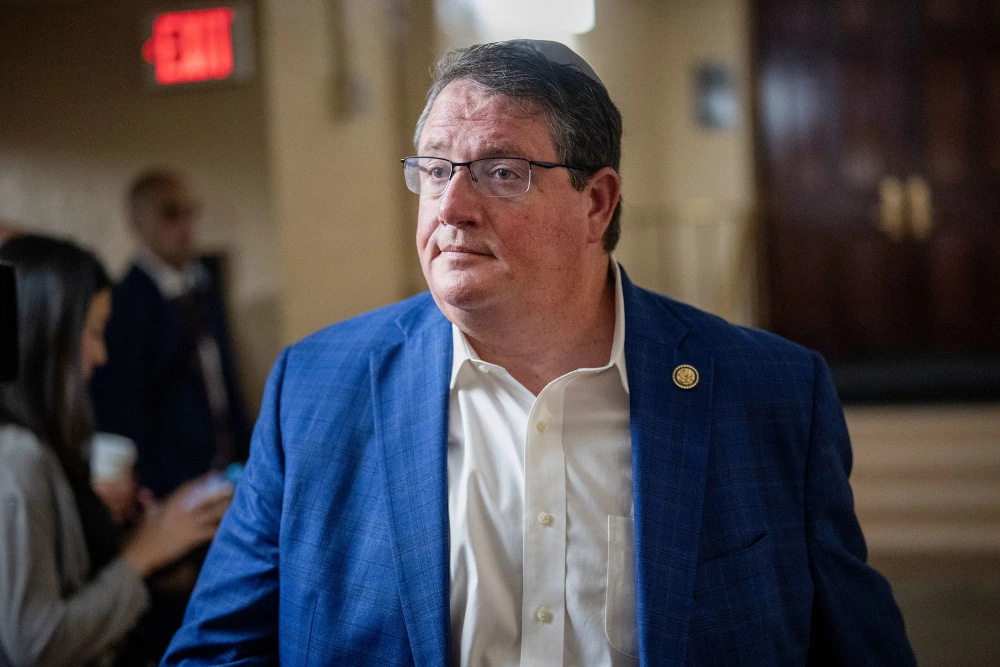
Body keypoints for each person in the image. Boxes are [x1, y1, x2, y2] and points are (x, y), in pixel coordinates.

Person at [164, 41, 915, 665]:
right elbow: (214, 652)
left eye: (501, 172)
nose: (452, 207)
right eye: (435, 169)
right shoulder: (315, 389)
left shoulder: (771, 396)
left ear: (597, 203)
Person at [0, 234, 231, 667]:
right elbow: (37, 645)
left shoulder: (39, 445)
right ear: (45, 334)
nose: (101, 355)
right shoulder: (17, 457)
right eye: (92, 333)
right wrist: (146, 551)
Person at [91, 169, 250, 499]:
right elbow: (125, 407)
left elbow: (223, 375)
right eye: (170, 213)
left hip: (226, 465)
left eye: (191, 212)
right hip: (170, 483)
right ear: (137, 222)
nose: (185, 225)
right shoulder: (124, 303)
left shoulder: (203, 286)